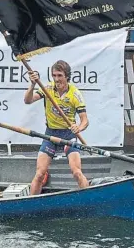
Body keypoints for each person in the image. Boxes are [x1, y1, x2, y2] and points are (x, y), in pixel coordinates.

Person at [24, 60, 90, 195]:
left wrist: (79, 128)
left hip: (68, 135)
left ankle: (90, 197)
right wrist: (32, 84)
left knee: (76, 172)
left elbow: (85, 120)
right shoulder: (47, 88)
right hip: (50, 135)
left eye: (60, 76)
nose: (56, 79)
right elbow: (28, 100)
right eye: (54, 75)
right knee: (39, 174)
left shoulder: (75, 94)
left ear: (67, 76)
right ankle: (30, 204)